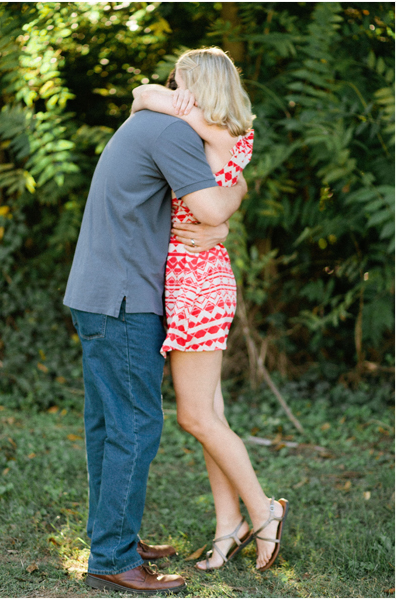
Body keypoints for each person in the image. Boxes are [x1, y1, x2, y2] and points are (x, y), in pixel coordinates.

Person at [63, 51, 250, 593]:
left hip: (100, 290)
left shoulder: (149, 121)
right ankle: (114, 558)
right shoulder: (171, 134)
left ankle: (112, 538)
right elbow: (212, 209)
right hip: (125, 295)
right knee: (135, 424)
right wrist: (223, 227)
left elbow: (219, 197)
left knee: (107, 423)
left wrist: (222, 217)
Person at [131, 47, 288, 573]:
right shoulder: (210, 134)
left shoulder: (216, 134)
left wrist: (164, 99)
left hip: (198, 283)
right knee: (210, 415)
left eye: (181, 82)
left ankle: (264, 511)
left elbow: (145, 98)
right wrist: (223, 223)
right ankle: (229, 527)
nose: (174, 90)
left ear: (200, 86)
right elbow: (141, 95)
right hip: (192, 277)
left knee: (195, 415)